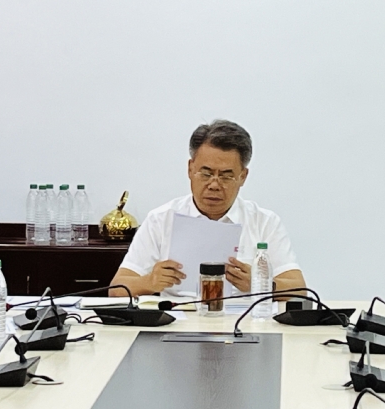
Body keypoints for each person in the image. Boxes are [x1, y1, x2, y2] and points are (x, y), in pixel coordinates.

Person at [110, 120, 306, 297]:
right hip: (178, 320)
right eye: (206, 173)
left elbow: (299, 290)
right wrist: (149, 282)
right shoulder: (160, 219)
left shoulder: (264, 222)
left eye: (226, 176)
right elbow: (116, 289)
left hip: (243, 321)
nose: (214, 184)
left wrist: (260, 284)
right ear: (190, 169)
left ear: (243, 177)